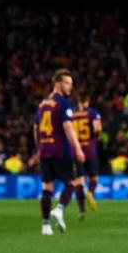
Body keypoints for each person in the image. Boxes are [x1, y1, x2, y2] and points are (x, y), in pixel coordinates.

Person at [34, 69, 85, 235]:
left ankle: (45, 225)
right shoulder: (63, 103)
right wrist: (77, 148)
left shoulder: (42, 104)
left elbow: (36, 128)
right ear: (57, 84)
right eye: (67, 83)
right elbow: (68, 127)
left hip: (44, 151)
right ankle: (59, 209)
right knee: (71, 183)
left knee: (47, 187)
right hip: (60, 150)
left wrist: (39, 148)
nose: (70, 87)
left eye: (71, 83)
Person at [73, 92, 103, 216]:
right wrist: (96, 137)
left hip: (76, 150)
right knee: (94, 178)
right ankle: (90, 192)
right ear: (88, 101)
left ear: (78, 101)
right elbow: (97, 129)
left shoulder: (72, 113)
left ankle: (81, 210)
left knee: (79, 181)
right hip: (90, 150)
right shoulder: (93, 113)